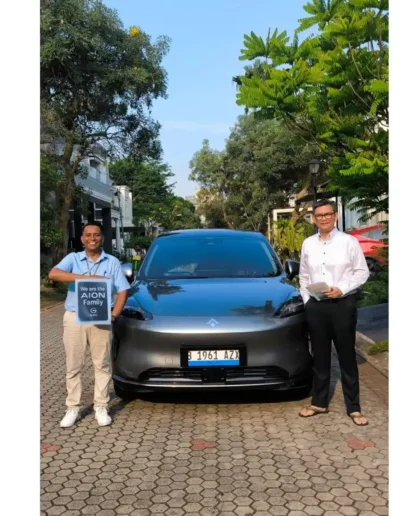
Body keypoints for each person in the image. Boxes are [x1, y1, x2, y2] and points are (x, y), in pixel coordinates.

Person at [49, 222, 130, 428]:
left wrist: (113, 315)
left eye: (96, 234)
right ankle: (72, 407)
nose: (92, 238)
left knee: (102, 364)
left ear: (102, 237)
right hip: (74, 317)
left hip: (101, 319)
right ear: (82, 238)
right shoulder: (73, 259)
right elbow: (54, 274)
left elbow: (123, 291)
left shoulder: (112, 262)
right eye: (88, 235)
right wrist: (86, 278)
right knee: (73, 365)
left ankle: (101, 406)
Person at [298, 199, 370, 426]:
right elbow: (303, 276)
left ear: (335, 216)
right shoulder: (308, 243)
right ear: (314, 218)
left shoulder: (349, 242)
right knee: (320, 357)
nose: (323, 218)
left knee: (347, 357)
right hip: (316, 307)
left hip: (342, 305)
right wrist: (308, 301)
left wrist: (343, 289)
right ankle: (319, 403)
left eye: (327, 214)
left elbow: (362, 272)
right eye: (319, 215)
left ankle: (354, 408)